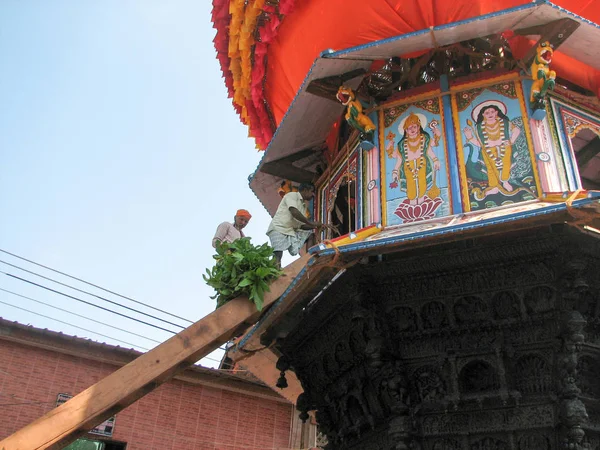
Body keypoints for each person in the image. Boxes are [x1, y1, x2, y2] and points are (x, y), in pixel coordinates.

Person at [463, 102, 520, 197]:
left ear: (497, 112)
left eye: (492, 112)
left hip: (505, 148)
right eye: (487, 113)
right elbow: (479, 144)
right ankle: (494, 187)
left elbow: (516, 130)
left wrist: (510, 141)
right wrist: (469, 137)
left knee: (506, 164)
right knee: (490, 169)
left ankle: (505, 181)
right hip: (488, 151)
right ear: (482, 115)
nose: (490, 114)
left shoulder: (505, 123)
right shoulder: (479, 127)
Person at [386, 113, 441, 205]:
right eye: (409, 128)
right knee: (411, 190)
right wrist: (395, 171)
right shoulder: (401, 144)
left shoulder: (425, 138)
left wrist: (435, 160)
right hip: (408, 169)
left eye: (414, 127)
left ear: (419, 127)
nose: (412, 129)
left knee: (422, 185)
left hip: (422, 165)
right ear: (406, 130)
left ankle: (422, 204)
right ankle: (413, 206)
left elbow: (430, 150)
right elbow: (399, 159)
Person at [267, 183, 326, 268]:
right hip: (278, 228)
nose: (313, 195)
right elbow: (294, 211)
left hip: (290, 231)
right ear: (305, 190)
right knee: (278, 254)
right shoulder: (292, 195)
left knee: (310, 235)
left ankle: (309, 260)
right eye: (312, 192)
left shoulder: (303, 206)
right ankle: (275, 275)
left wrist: (317, 226)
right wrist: (311, 223)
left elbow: (301, 226)